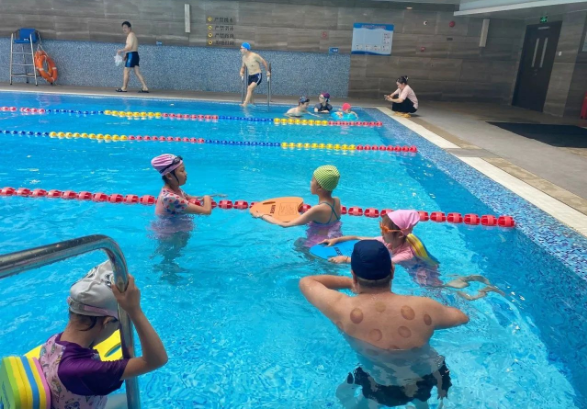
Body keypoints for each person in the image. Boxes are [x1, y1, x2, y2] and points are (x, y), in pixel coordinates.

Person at [299, 240, 469, 409]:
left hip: (379, 382)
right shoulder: (424, 307)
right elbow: (462, 318)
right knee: (421, 402)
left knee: (344, 395)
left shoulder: (341, 308)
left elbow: (307, 282)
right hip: (427, 375)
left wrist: (350, 283)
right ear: (392, 270)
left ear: (354, 274)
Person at [39, 261, 168, 409]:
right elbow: (156, 360)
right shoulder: (82, 371)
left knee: (125, 399)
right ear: (107, 322)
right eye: (118, 324)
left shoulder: (54, 341)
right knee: (130, 400)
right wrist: (135, 310)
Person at [323, 210, 502, 299]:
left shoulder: (407, 254)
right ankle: (468, 278)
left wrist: (346, 259)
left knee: (442, 291)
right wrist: (339, 239)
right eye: (381, 227)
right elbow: (362, 238)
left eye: (384, 229)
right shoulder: (388, 239)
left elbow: (380, 264)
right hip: (419, 269)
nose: (381, 232)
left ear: (399, 234)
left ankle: (481, 292)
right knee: (445, 286)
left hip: (422, 274)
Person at [252, 165, 342, 247]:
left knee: (298, 243)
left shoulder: (317, 210)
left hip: (318, 245)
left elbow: (285, 224)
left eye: (312, 180)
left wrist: (262, 215)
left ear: (319, 187)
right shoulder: (337, 201)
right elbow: (324, 222)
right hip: (335, 239)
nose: (310, 182)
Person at [116, 21, 149, 93]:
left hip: (132, 55)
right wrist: (126, 54)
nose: (124, 29)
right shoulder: (132, 35)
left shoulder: (130, 35)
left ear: (129, 28)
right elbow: (131, 47)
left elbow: (130, 46)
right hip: (134, 55)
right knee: (137, 72)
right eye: (123, 28)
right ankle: (145, 87)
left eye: (125, 27)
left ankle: (124, 88)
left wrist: (121, 50)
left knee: (126, 71)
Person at [239, 42, 270, 107]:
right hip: (250, 76)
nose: (240, 49)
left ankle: (245, 104)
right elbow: (243, 67)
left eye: (241, 48)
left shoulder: (254, 56)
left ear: (246, 49)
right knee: (251, 91)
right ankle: (252, 104)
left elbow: (263, 61)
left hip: (257, 75)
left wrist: (267, 71)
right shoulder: (244, 58)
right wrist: (241, 72)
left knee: (249, 88)